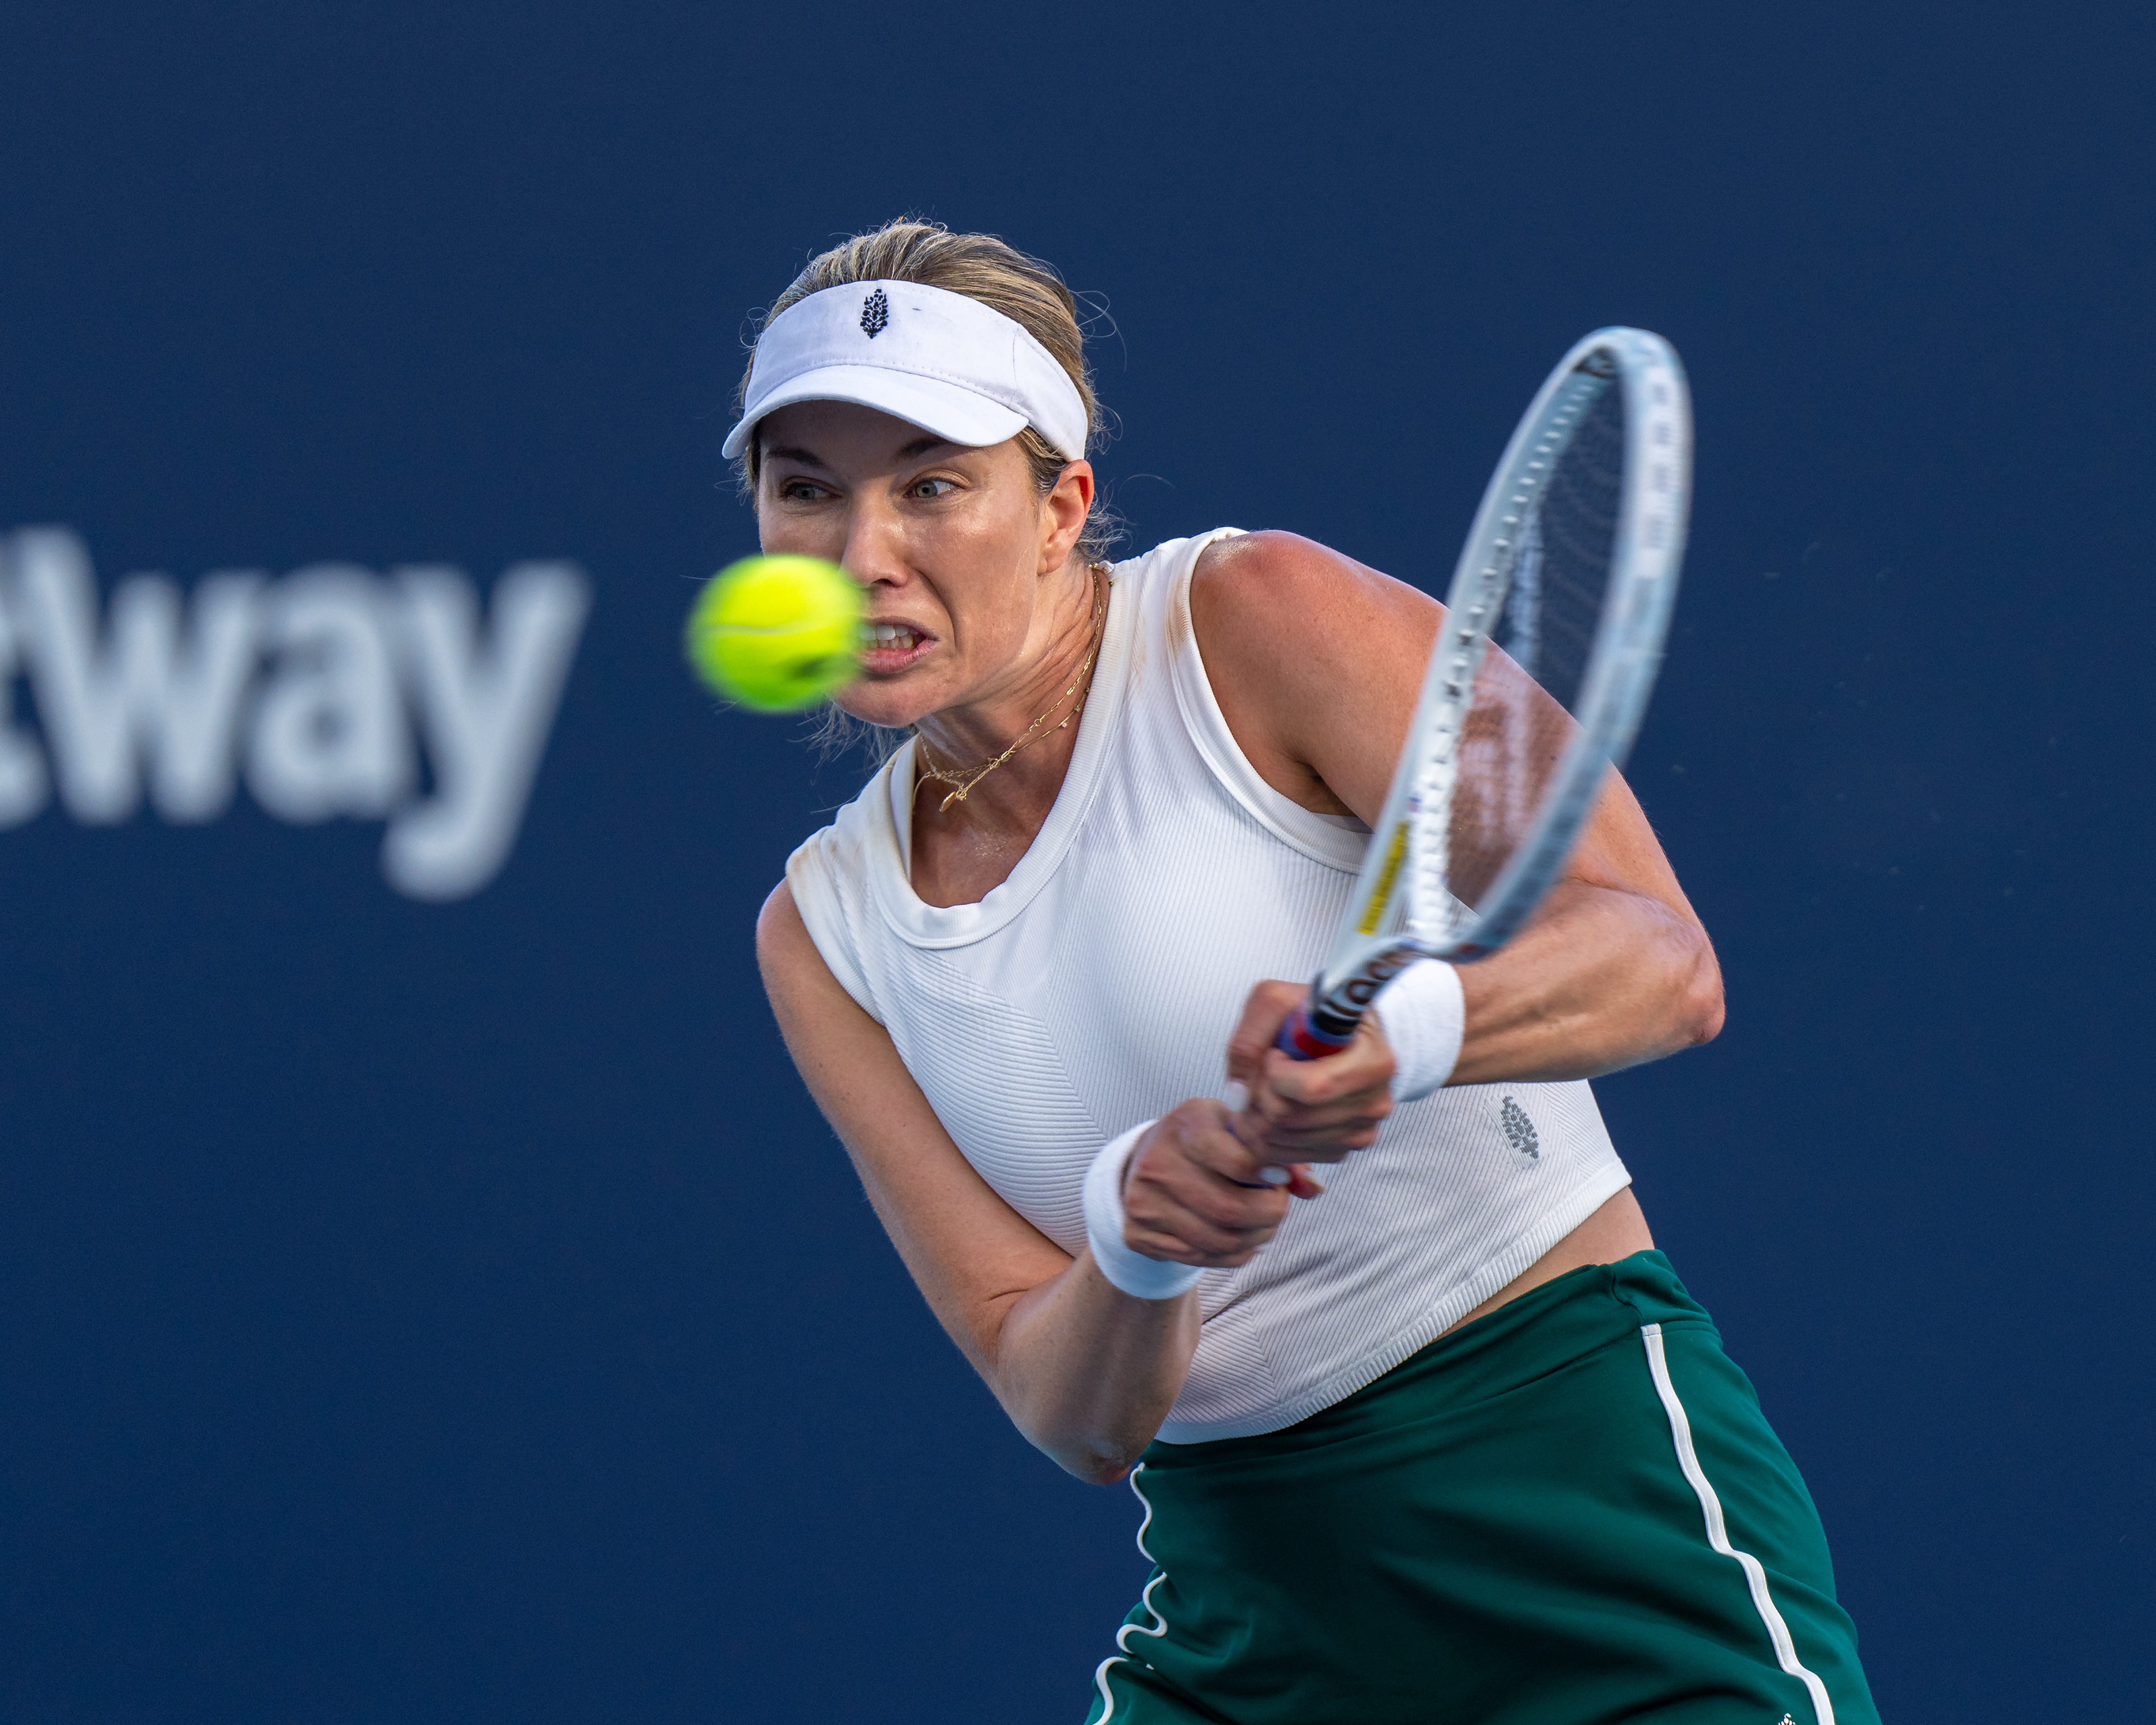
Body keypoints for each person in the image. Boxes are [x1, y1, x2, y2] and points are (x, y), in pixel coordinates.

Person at [743, 218, 1876, 1725]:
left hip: (1588, 1509)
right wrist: (1136, 1244)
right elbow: (1068, 1412)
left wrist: (1410, 1033)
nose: (860, 554)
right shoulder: (823, 932)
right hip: (1253, 1618)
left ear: (1061, 505)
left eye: (932, 485)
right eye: (806, 489)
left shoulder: (1253, 620)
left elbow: (1664, 964)